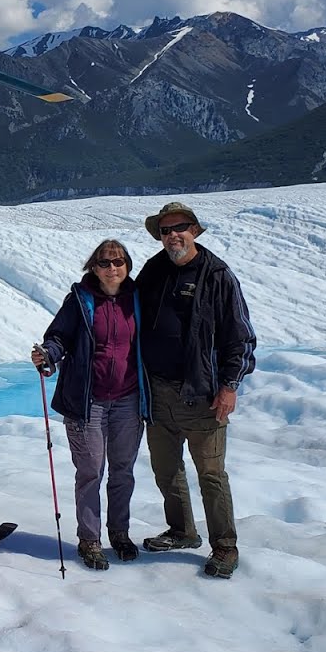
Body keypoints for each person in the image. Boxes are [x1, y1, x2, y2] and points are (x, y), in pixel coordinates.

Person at [136, 202, 256, 579]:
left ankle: (224, 546)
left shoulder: (216, 275)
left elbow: (240, 339)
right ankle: (182, 531)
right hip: (157, 392)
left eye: (181, 227)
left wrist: (230, 386)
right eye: (166, 229)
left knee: (211, 474)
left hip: (202, 395)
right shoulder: (153, 270)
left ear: (195, 231)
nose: (173, 235)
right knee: (165, 469)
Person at [32, 239, 148, 570]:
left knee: (123, 472)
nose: (113, 268)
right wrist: (47, 355)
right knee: (91, 472)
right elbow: (58, 338)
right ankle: (90, 539)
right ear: (93, 268)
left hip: (128, 399)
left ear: (127, 265)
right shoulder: (80, 301)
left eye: (119, 262)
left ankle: (120, 534)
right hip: (89, 403)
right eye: (105, 263)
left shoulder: (138, 300)